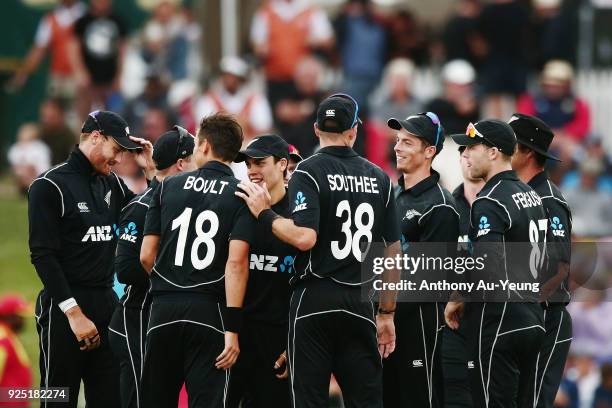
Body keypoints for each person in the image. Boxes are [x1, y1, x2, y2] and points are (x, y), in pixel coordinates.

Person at [235, 94, 400, 408]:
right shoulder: (380, 178)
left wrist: (264, 213)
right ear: (353, 131)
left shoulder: (308, 171)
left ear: (315, 128)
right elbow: (392, 252)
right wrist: (387, 313)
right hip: (359, 300)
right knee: (366, 401)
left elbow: (304, 238)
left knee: (309, 400)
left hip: (314, 299)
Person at [28, 110, 155, 408]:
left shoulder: (111, 184)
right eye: (117, 149)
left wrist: (152, 173)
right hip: (64, 309)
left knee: (112, 399)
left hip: (107, 305)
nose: (120, 159)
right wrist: (73, 314)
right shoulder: (49, 185)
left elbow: (150, 214)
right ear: (96, 137)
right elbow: (42, 255)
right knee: (58, 399)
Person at [139, 113, 255, 408]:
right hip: (209, 312)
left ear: (203, 146)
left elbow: (146, 255)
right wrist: (233, 328)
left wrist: (170, 283)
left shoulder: (166, 187)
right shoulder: (242, 195)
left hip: (164, 309)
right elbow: (236, 264)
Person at [446, 119, 548, 408]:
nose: (464, 154)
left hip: (500, 320)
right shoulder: (532, 195)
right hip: (532, 319)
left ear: (493, 152)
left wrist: (458, 296)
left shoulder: (489, 199)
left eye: (471, 147)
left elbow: (485, 264)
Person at [108, 126, 196, 408]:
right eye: (195, 160)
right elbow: (126, 268)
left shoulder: (178, 203)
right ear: (182, 164)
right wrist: (174, 276)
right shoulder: (141, 206)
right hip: (137, 319)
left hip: (161, 319)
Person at [383, 112, 460, 408]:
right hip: (386, 321)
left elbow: (429, 280)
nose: (398, 147)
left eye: (408, 142)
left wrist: (385, 314)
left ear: (429, 152)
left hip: (418, 326)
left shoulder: (440, 206)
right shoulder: (393, 196)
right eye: (398, 141)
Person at [509, 113, 573, 408]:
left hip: (545, 317)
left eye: (510, 145)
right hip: (520, 317)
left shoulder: (549, 201)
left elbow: (558, 268)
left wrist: (528, 306)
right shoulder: (513, 195)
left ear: (527, 153)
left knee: (532, 401)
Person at [227, 135, 295, 408]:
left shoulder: (301, 213)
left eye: (259, 163)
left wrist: (294, 342)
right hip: (238, 335)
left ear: (282, 164)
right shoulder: (237, 205)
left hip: (278, 338)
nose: (252, 170)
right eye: (248, 164)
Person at [442, 145, 484, 408]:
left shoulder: (508, 203)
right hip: (451, 326)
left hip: (494, 321)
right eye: (463, 151)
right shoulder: (444, 205)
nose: (467, 156)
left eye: (473, 150)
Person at [9, 0, 85, 97]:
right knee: (50, 110)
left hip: (80, 80)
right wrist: (22, 74)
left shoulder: (87, 15)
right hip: (57, 78)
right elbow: (39, 49)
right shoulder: (51, 18)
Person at [70, 0, 128, 120]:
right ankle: (82, 137)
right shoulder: (83, 21)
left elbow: (122, 50)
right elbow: (73, 48)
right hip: (88, 77)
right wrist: (80, 72)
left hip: (109, 77)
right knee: (83, 116)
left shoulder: (117, 21)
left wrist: (119, 76)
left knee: (110, 116)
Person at [0, 295, 33, 405]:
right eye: (21, 316)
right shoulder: (3, 341)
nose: (23, 320)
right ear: (10, 317)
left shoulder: (8, 336)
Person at [7, 123, 51, 195]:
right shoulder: (15, 148)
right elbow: (14, 166)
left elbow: (43, 167)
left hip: (39, 174)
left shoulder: (40, 147)